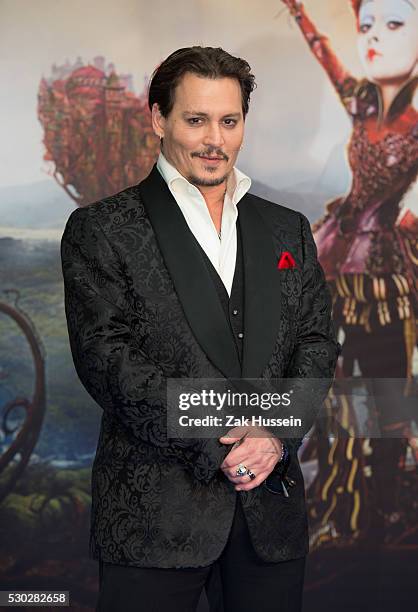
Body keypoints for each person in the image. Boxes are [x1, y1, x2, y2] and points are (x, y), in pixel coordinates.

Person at [61, 46, 341, 612]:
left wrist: (273, 437)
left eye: (229, 121)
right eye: (196, 119)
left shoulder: (289, 230)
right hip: (153, 517)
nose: (215, 139)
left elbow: (315, 345)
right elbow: (109, 362)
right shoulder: (102, 229)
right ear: (158, 118)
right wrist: (227, 439)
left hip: (271, 511)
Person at [279, 0, 417, 540]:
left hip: (384, 274)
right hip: (339, 260)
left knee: (387, 397)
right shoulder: (362, 100)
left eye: (393, 25)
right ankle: (342, 509)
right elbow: (327, 61)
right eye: (366, 27)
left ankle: (383, 510)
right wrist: (299, 13)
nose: (374, 38)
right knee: (337, 389)